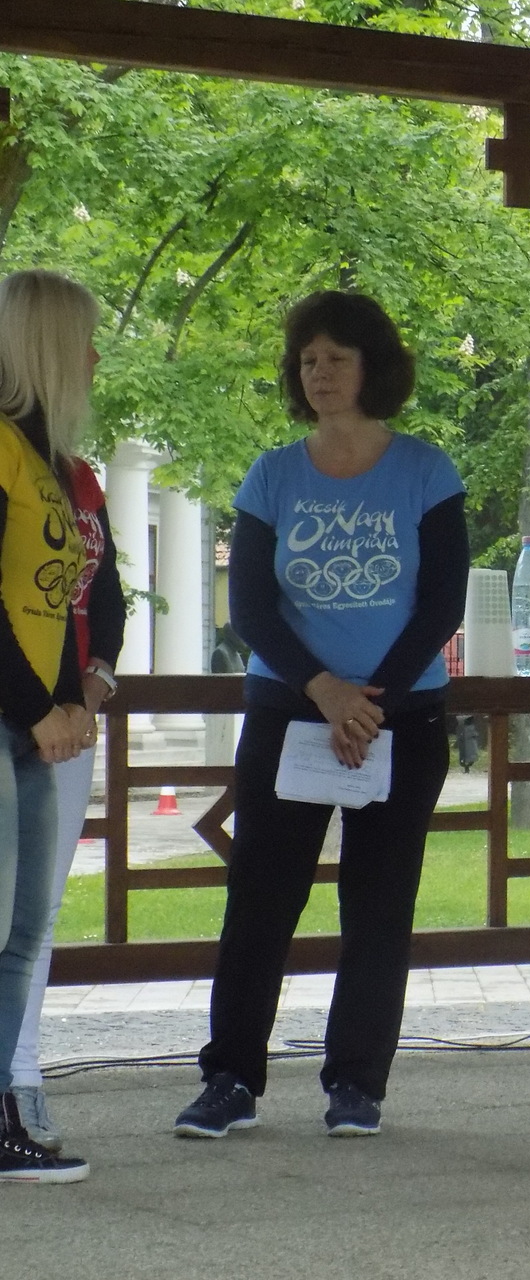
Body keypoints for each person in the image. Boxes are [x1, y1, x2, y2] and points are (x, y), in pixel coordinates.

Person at [173, 292, 468, 1139]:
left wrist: (369, 701)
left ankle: (356, 1085)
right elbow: (251, 610)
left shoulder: (426, 471)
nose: (320, 372)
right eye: (307, 360)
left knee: (379, 907)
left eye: (337, 357)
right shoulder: (272, 475)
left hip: (401, 718)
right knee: (260, 903)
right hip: (290, 713)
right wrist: (325, 691)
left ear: (374, 366)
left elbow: (440, 605)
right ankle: (230, 1079)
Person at [0, 268, 101, 1183]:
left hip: (36, 727)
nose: (96, 358)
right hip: (11, 721)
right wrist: (37, 710)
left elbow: (64, 603)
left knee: (24, 931)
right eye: (85, 341)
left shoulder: (51, 463)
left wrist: (72, 699)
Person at [10, 447, 124, 1154]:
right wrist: (34, 707)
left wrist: (91, 691)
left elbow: (106, 597)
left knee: (38, 910)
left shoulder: (81, 476)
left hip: (68, 718)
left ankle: (21, 1075)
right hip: (18, 709)